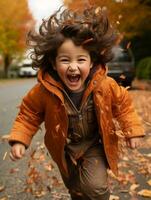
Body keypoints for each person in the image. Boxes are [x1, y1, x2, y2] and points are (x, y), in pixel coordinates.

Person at [8, 6, 145, 200]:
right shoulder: (44, 91)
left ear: (91, 62)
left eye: (81, 59)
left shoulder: (105, 86)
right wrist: (20, 139)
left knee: (94, 188)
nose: (73, 67)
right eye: (65, 60)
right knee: (77, 189)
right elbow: (28, 114)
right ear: (54, 64)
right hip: (63, 149)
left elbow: (123, 105)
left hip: (93, 145)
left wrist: (132, 131)